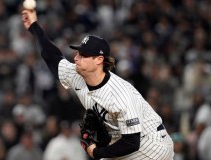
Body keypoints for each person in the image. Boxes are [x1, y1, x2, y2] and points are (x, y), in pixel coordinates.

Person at [21, 10, 174, 159]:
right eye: (77, 53)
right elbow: (52, 56)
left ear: (99, 60)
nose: (76, 58)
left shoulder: (119, 94)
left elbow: (132, 142)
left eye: (83, 55)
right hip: (127, 141)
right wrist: (34, 26)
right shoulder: (77, 75)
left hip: (151, 145)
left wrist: (97, 153)